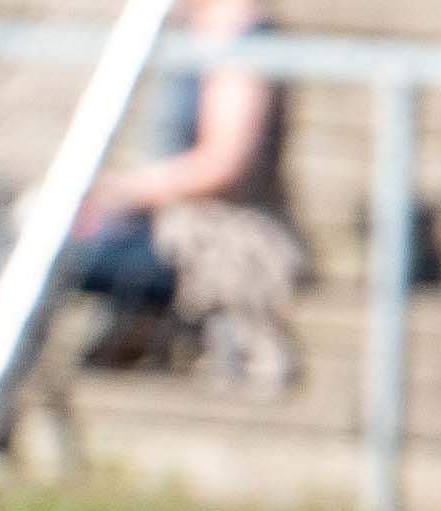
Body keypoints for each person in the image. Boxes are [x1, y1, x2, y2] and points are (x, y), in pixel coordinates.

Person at [58, 0, 308, 390]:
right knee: (28, 237)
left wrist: (115, 190)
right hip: (163, 226)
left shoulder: (242, 37)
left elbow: (224, 162)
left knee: (44, 247)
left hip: (213, 240)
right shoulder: (191, 31)